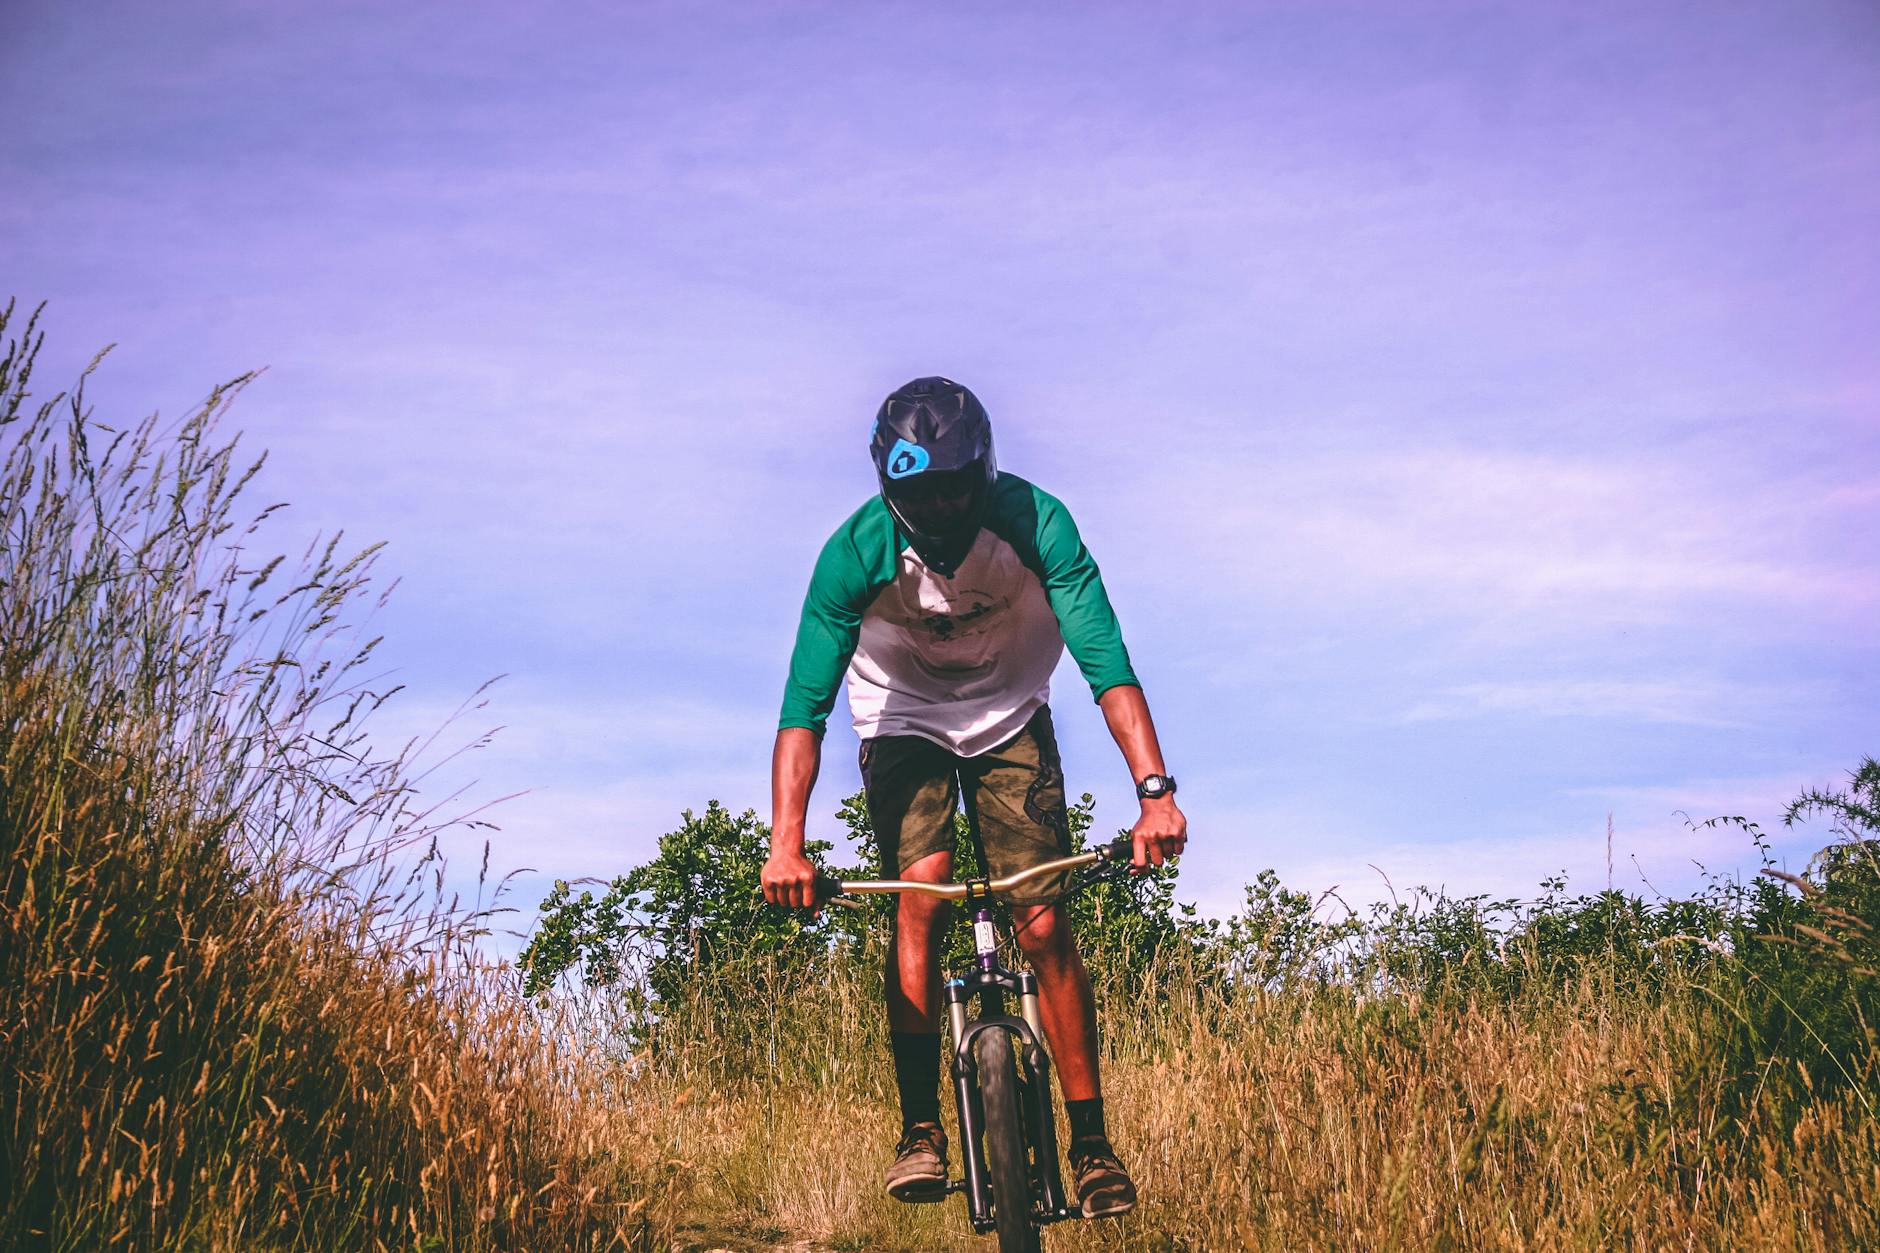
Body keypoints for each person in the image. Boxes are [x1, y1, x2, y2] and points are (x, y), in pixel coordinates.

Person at [760, 376, 1187, 1219]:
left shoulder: (1036, 523)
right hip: (903, 714)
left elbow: (1106, 659)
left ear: (983, 470)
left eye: (956, 483)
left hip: (1009, 712)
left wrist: (1155, 793)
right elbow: (801, 711)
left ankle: (1092, 1145)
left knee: (1043, 917)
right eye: (921, 489)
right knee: (920, 896)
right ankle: (921, 1129)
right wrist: (786, 844)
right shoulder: (854, 552)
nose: (943, 502)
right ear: (893, 489)